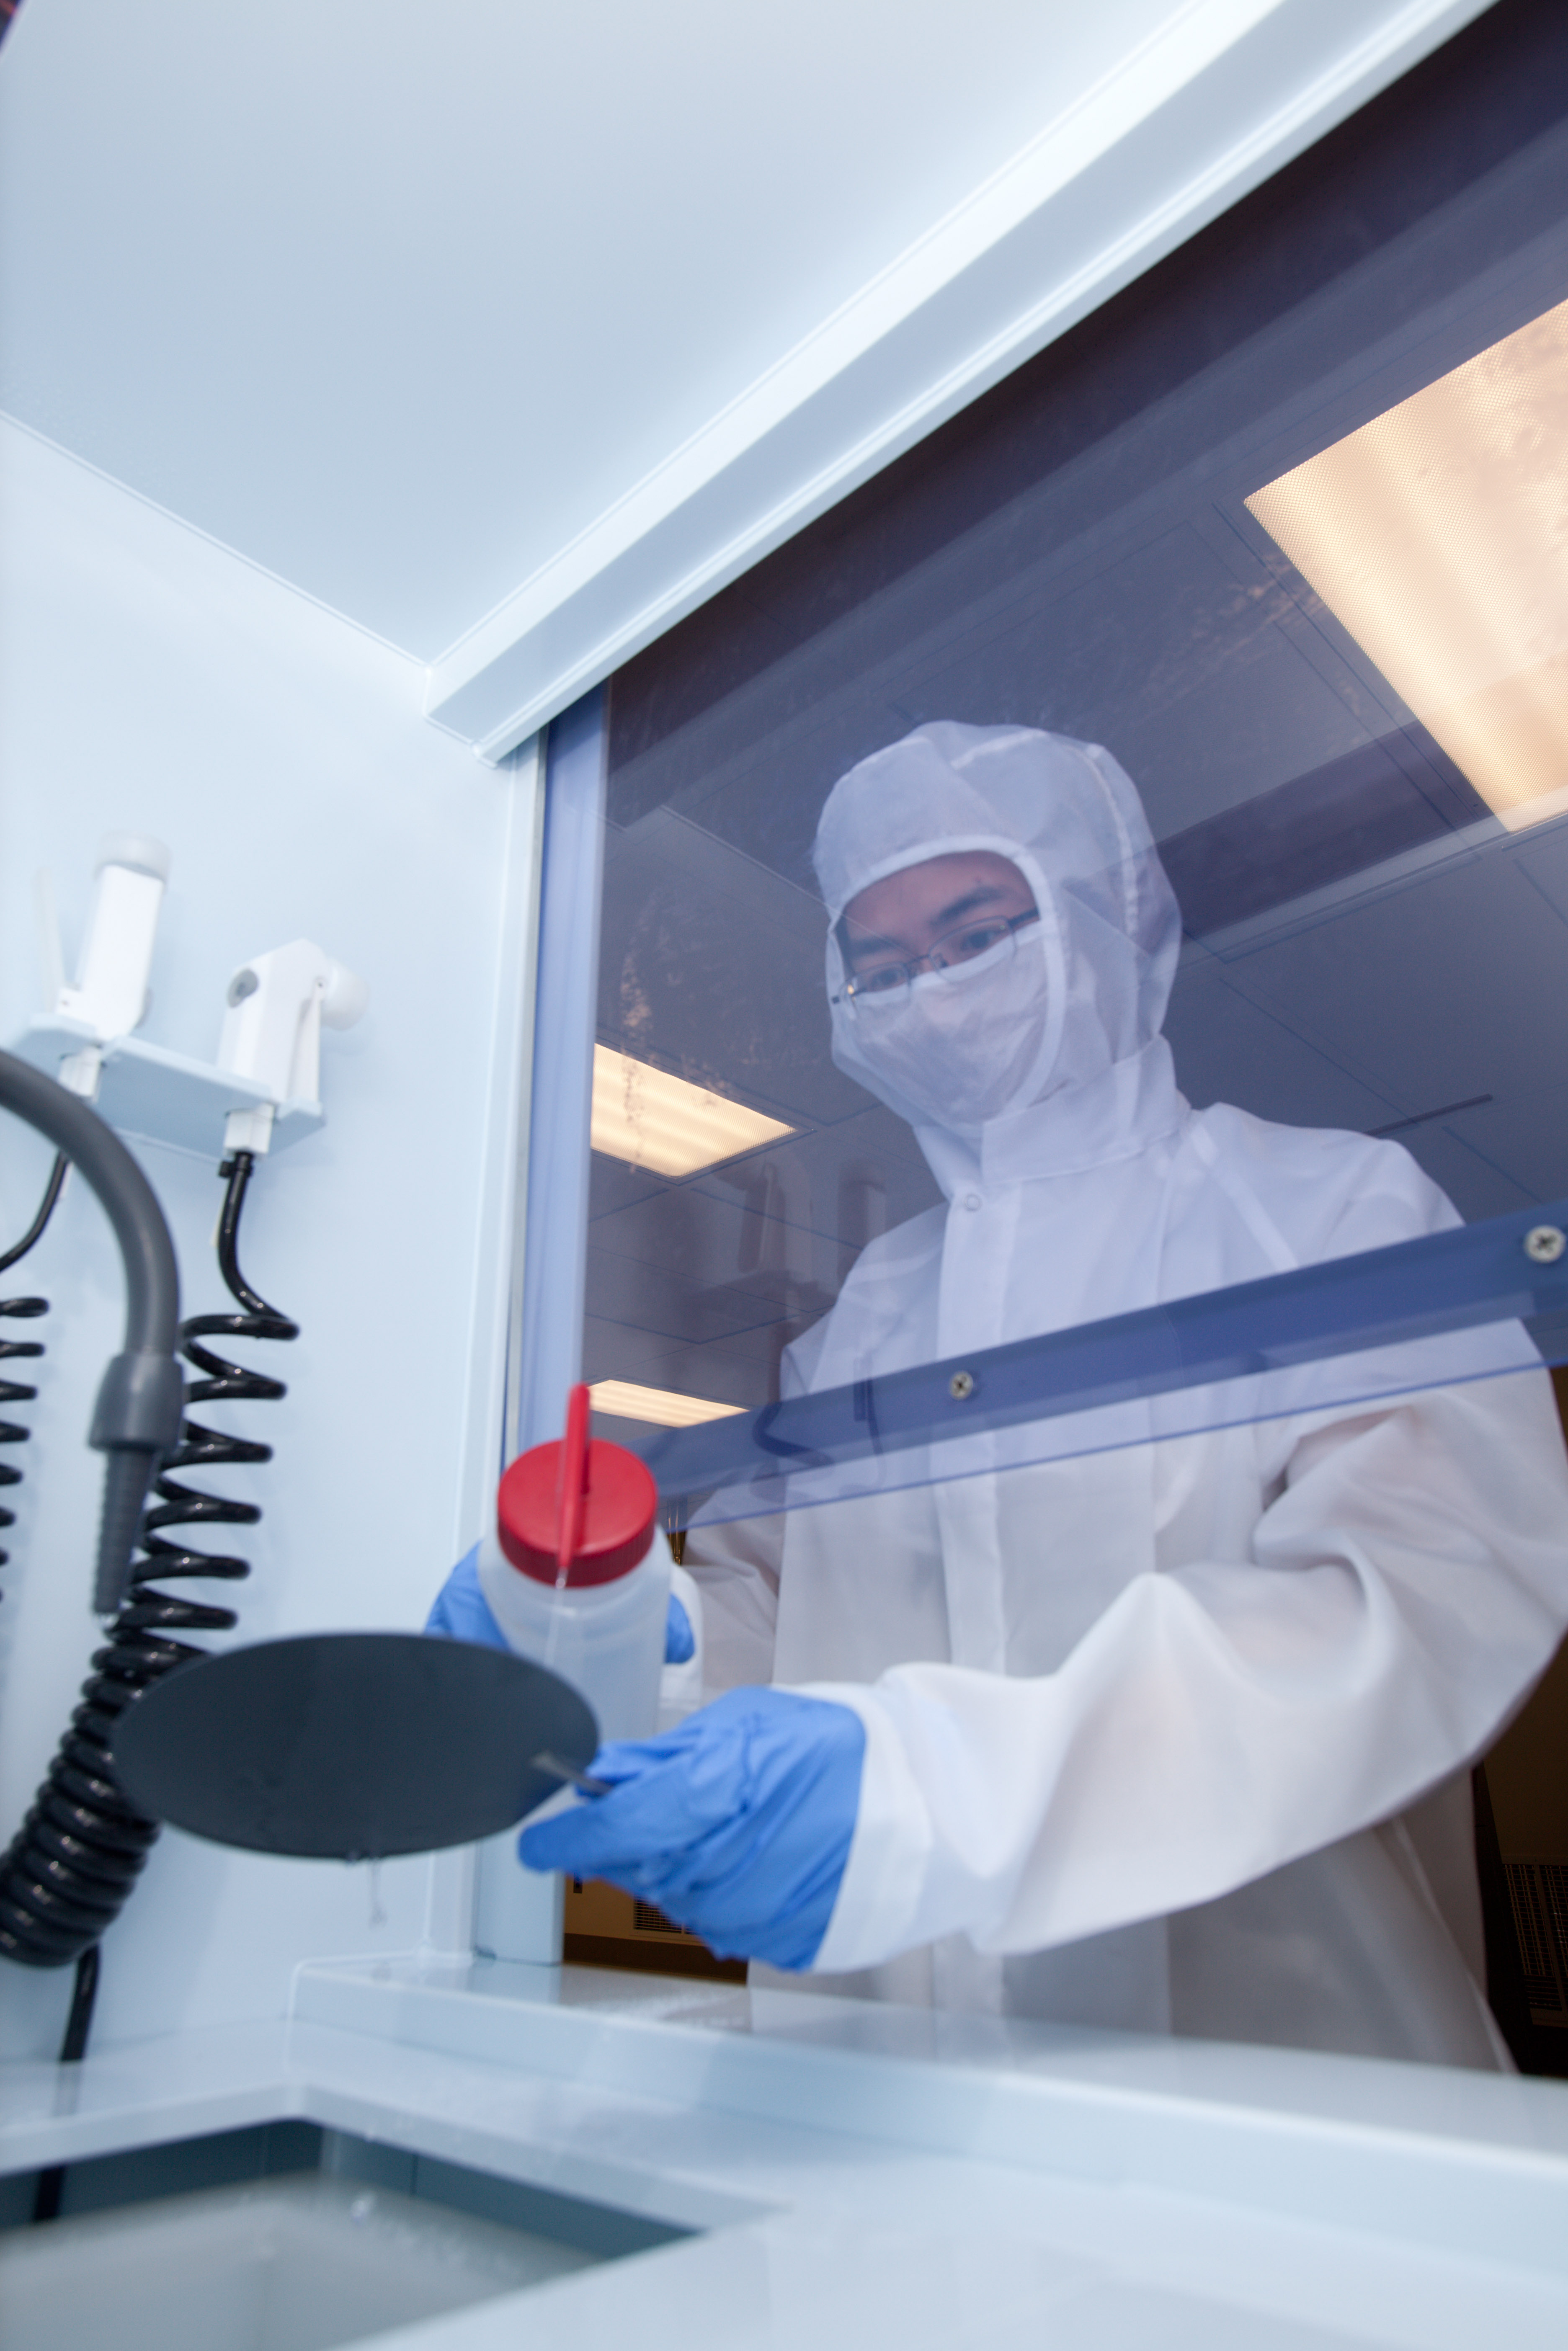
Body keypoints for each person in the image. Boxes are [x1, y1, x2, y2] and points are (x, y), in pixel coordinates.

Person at [447, 722, 1568, 2064]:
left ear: (1110, 918)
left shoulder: (1323, 1208)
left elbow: (1412, 1596)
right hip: (882, 2059)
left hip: (1283, 2061)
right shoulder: (873, 1307)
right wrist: (627, 1640)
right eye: (881, 968)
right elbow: (777, 1610)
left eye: (979, 932)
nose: (932, 989)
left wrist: (950, 1791)